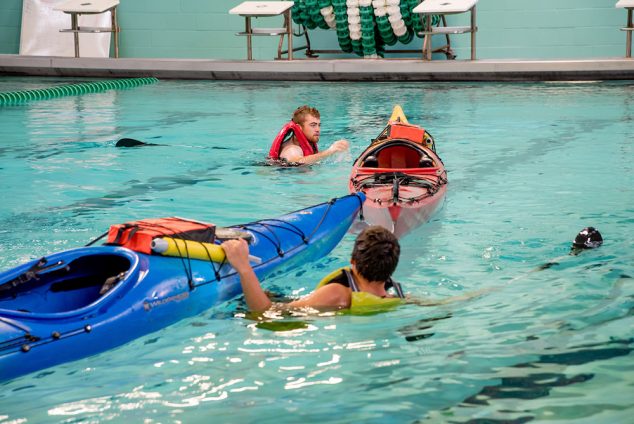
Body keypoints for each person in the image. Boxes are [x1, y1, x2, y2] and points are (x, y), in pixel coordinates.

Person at [221, 225, 404, 313]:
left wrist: (243, 267)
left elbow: (265, 312)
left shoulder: (337, 294)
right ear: (391, 268)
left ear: (352, 261)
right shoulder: (396, 298)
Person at [268, 105, 349, 165]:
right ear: (299, 128)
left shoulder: (304, 144)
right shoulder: (292, 149)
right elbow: (298, 161)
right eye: (313, 125)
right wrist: (329, 151)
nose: (318, 129)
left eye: (319, 125)